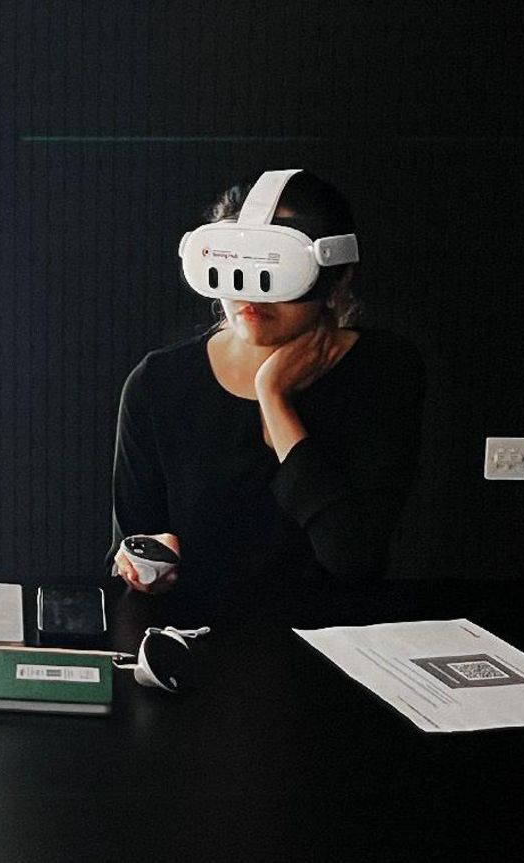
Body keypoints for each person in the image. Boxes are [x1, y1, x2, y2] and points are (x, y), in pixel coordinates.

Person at [110, 170, 425, 594]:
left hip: (331, 643)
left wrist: (274, 401)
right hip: (195, 640)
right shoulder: (159, 383)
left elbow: (353, 558)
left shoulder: (383, 371)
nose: (252, 294)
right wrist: (143, 567)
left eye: (277, 267)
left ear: (338, 277)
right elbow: (127, 547)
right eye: (235, 265)